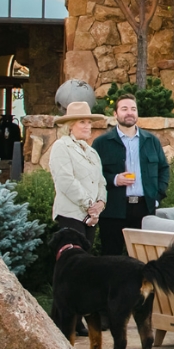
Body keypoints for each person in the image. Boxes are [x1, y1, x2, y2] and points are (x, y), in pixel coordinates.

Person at [93, 94, 171, 256]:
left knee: (144, 257)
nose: (129, 112)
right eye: (124, 109)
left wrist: (156, 196)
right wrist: (115, 179)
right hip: (113, 210)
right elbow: (93, 175)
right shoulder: (102, 143)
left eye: (133, 109)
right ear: (115, 114)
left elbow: (164, 169)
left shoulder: (151, 141)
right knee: (111, 258)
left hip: (144, 209)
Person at [49, 101, 107, 244]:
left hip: (91, 217)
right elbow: (65, 181)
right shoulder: (61, 146)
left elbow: (101, 181)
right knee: (73, 261)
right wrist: (89, 205)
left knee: (86, 260)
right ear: (70, 126)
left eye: (89, 122)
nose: (88, 126)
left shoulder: (92, 152)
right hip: (70, 215)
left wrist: (100, 203)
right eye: (82, 122)